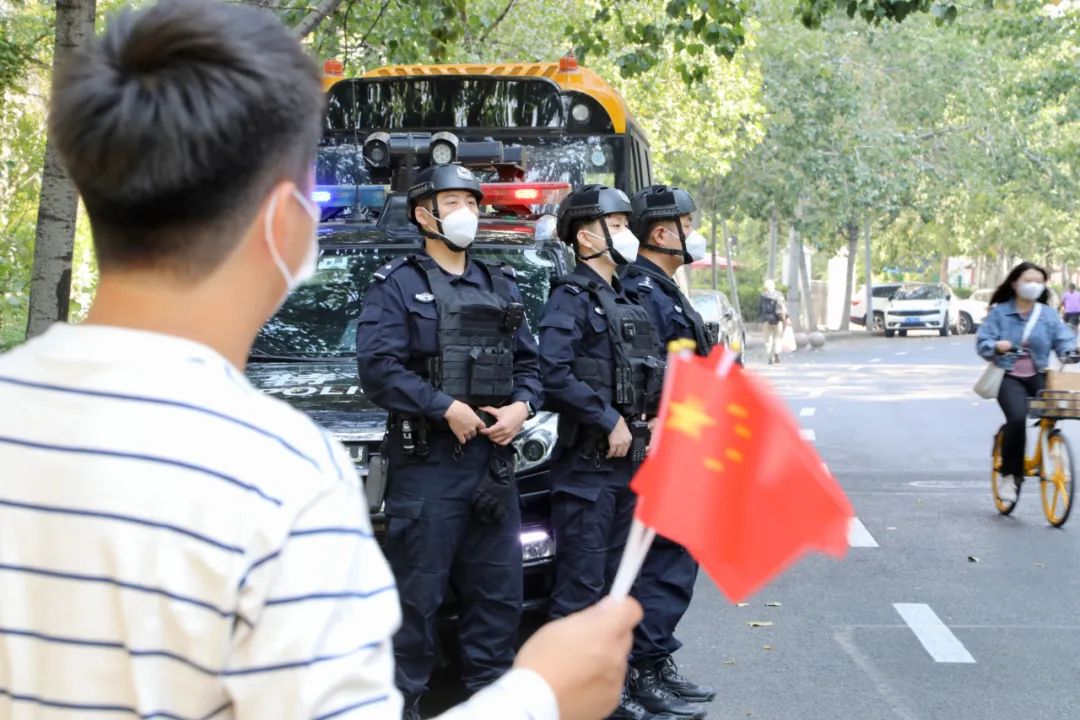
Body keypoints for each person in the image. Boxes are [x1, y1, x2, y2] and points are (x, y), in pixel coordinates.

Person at [0, 2, 643, 719]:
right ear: (285, 219)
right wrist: (543, 697)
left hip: (488, 475)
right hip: (428, 471)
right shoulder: (283, 478)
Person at [354, 163, 545, 717]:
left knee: (498, 601)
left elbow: (531, 367)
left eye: (471, 201)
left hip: (494, 469)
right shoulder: (397, 286)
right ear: (424, 214)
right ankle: (401, 707)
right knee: (416, 602)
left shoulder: (500, 283)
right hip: (428, 469)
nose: (468, 212)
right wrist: (446, 408)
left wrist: (521, 407)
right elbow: (378, 369)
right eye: (454, 201)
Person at [538, 186, 677, 720]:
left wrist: (658, 415)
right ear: (585, 232)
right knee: (581, 591)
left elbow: (651, 373)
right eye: (614, 220)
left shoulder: (631, 300)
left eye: (625, 220)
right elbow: (554, 372)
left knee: (618, 590)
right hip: (588, 471)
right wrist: (606, 417)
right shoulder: (569, 298)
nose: (624, 229)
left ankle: (607, 693)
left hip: (630, 467)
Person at [620, 185, 717, 717]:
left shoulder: (665, 288)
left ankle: (656, 665)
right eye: (687, 222)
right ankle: (641, 671)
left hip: (684, 442)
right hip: (659, 447)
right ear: (662, 232)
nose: (692, 231)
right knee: (658, 564)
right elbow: (652, 373)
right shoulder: (645, 291)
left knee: (675, 561)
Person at [977, 262, 1077, 502]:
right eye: (1028, 280)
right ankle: (1010, 476)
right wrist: (996, 346)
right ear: (1015, 283)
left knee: (1058, 409)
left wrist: (1070, 350)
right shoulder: (1000, 312)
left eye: (1038, 281)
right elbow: (983, 342)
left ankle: (1052, 448)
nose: (1033, 285)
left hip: (1039, 375)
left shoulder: (1048, 315)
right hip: (1008, 376)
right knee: (1018, 418)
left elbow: (1063, 339)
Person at [759, 279, 788, 364]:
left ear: (765, 287)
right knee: (778, 338)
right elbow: (783, 308)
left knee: (768, 340)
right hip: (778, 319)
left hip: (766, 320)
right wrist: (785, 318)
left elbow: (760, 309)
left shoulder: (763, 296)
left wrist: (760, 319)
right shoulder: (779, 295)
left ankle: (769, 357)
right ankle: (777, 352)